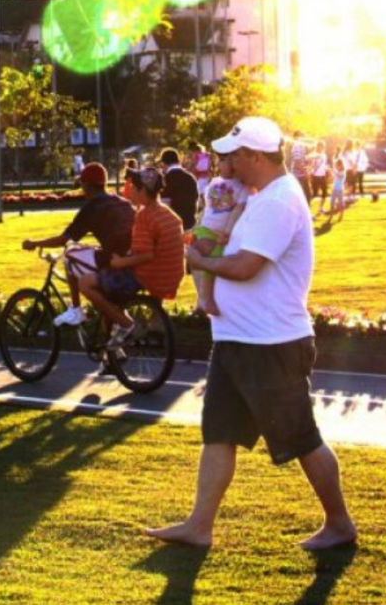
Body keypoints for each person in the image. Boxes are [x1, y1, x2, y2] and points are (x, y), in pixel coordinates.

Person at [149, 116, 357, 551]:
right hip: (237, 341)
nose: (229, 162)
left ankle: (339, 524)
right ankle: (199, 526)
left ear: (257, 156)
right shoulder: (261, 197)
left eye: (236, 155)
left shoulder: (279, 201)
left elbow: (245, 266)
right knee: (219, 433)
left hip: (272, 344)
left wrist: (199, 261)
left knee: (301, 438)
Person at [80, 166, 185, 350]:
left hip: (147, 276)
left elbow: (146, 255)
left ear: (143, 191)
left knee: (85, 283)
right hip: (168, 276)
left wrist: (120, 262)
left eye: (133, 186)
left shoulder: (145, 216)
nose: (129, 189)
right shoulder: (170, 215)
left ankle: (126, 325)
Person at [21, 161, 136, 327]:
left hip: (112, 258)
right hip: (130, 256)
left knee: (69, 255)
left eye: (82, 184)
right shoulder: (120, 201)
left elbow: (64, 239)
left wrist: (35, 243)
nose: (82, 188)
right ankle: (109, 347)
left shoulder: (93, 206)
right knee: (85, 253)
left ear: (88, 185)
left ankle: (76, 309)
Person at [190, 151, 249, 316]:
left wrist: (228, 231)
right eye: (219, 161)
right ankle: (205, 299)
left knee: (215, 264)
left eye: (223, 161)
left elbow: (238, 210)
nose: (219, 164)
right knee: (207, 263)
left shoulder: (241, 187)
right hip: (206, 229)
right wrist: (198, 224)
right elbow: (208, 207)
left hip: (220, 233)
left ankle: (208, 298)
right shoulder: (215, 181)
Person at [159, 148, 199, 231]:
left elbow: (165, 205)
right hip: (190, 223)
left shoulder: (166, 179)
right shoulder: (190, 177)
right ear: (178, 161)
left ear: (164, 163)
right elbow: (196, 201)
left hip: (173, 227)